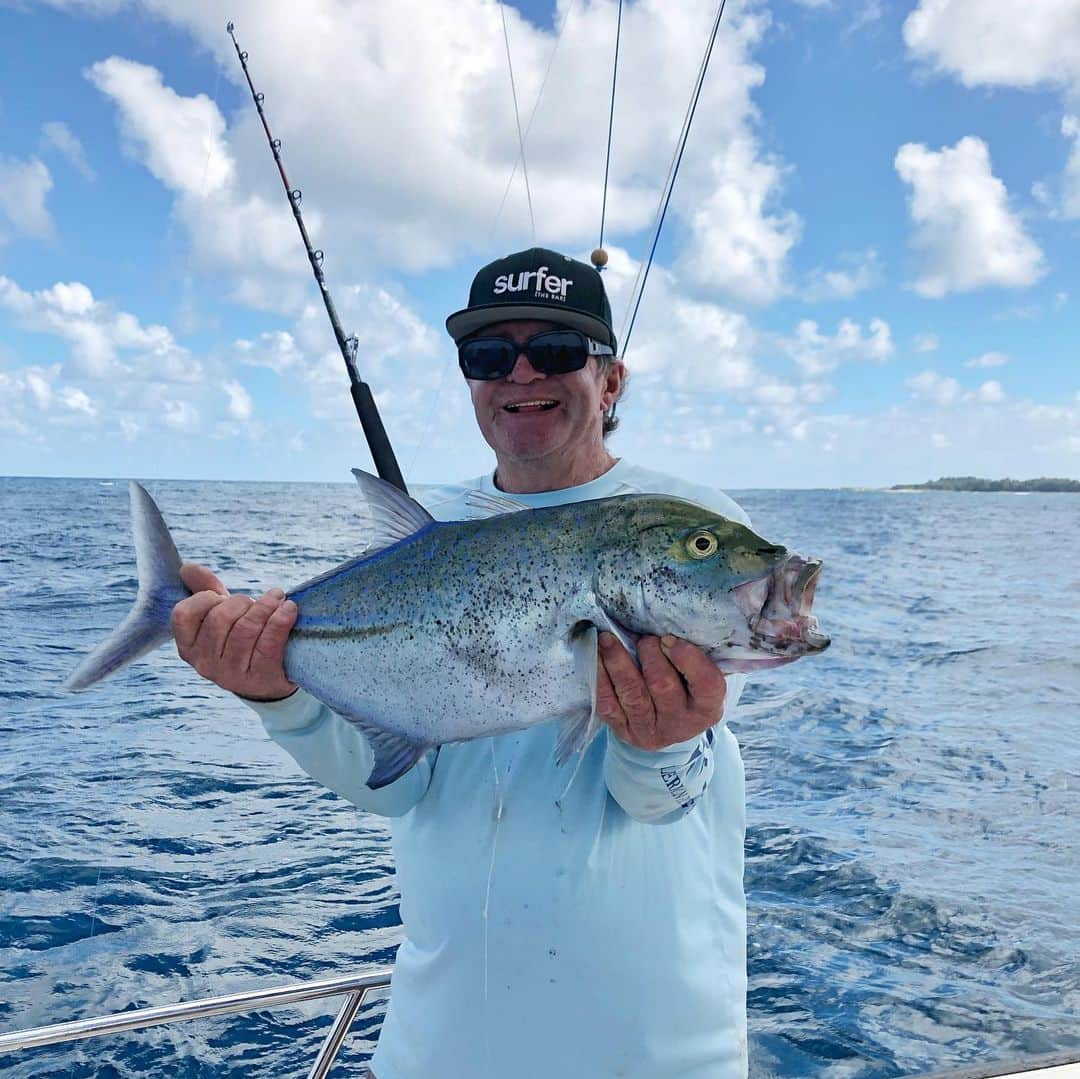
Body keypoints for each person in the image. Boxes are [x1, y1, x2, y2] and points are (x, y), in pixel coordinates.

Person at [172, 247, 754, 1078]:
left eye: (553, 350)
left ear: (612, 379)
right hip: (437, 1049)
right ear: (470, 378)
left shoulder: (689, 527)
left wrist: (658, 742)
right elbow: (401, 786)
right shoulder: (431, 529)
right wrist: (280, 697)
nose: (520, 374)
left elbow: (666, 805)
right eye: (488, 355)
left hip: (654, 1053)